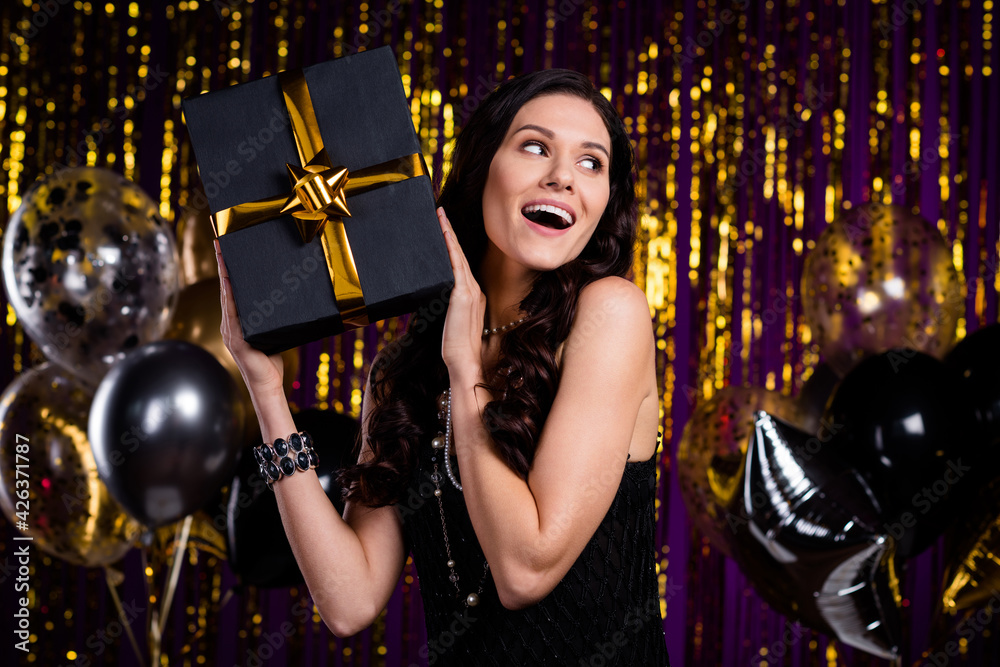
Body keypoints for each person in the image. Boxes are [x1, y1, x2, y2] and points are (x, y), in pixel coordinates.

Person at [216, 68, 669, 666]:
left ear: (605, 200)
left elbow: (525, 570)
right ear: (483, 167)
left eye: (592, 163)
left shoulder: (611, 315)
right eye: (535, 147)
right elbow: (349, 601)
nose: (562, 176)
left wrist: (464, 369)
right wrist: (266, 391)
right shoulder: (401, 373)